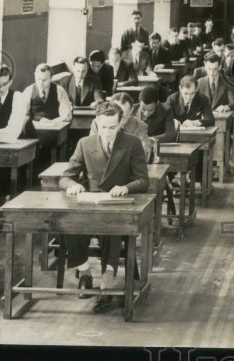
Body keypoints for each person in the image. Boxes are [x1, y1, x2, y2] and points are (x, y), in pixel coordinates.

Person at [58, 101, 149, 313]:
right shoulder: (85, 143)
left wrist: (126, 187)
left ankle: (106, 285)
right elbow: (65, 177)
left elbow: (143, 180)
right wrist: (73, 185)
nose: (107, 132)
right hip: (91, 204)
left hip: (117, 206)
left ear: (121, 124)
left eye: (113, 128)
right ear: (96, 123)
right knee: (70, 225)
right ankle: (85, 272)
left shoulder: (132, 143)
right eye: (103, 127)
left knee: (113, 230)